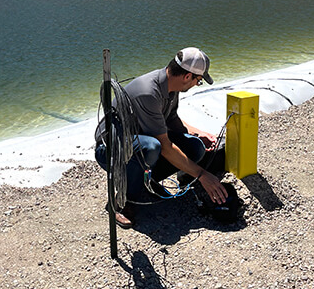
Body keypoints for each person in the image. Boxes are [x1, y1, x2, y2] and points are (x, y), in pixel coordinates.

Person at [95, 47, 228, 228]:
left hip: (140, 141)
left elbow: (172, 120)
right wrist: (202, 175)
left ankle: (144, 182)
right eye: (199, 81)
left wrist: (197, 134)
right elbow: (165, 146)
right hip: (111, 150)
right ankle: (124, 201)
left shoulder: (170, 87)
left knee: (195, 147)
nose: (197, 85)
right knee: (152, 147)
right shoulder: (149, 92)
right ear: (187, 77)